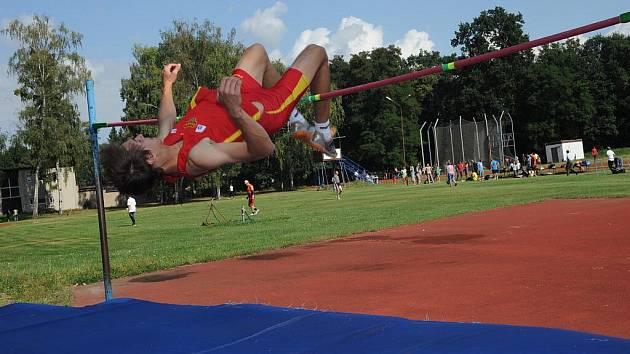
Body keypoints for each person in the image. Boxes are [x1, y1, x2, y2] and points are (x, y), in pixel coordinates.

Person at [100, 43, 336, 195]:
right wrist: (235, 111)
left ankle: (293, 113)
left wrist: (168, 86)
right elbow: (264, 149)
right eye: (137, 141)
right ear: (149, 157)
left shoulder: (162, 148)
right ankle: (322, 132)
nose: (139, 135)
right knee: (317, 53)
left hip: (235, 95)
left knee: (258, 52)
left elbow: (167, 119)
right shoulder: (197, 157)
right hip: (260, 111)